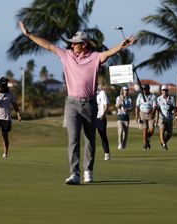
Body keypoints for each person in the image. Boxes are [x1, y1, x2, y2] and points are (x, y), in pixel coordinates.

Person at [19, 21, 136, 184]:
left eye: (75, 44)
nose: (72, 46)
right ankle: (74, 173)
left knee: (90, 139)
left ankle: (88, 170)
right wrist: (29, 34)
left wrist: (122, 46)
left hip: (89, 103)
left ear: (84, 44)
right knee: (73, 139)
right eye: (72, 44)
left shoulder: (95, 57)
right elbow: (48, 46)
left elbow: (108, 54)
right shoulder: (66, 55)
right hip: (72, 103)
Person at [0, 77, 21, 158]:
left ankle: (5, 153)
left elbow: (15, 105)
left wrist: (18, 114)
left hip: (6, 117)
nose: (6, 85)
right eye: (4, 83)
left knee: (5, 136)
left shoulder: (10, 94)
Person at [135, 83, 157, 150]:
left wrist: (152, 113)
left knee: (151, 129)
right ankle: (145, 144)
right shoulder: (140, 96)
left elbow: (154, 106)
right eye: (143, 89)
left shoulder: (153, 96)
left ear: (148, 89)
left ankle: (147, 138)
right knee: (145, 129)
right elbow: (137, 106)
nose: (144, 90)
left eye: (145, 89)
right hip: (142, 113)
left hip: (150, 114)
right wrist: (137, 116)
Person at [156, 85, 176, 150]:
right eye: (163, 90)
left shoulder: (172, 98)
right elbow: (157, 109)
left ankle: (163, 142)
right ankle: (164, 145)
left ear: (168, 91)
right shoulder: (158, 99)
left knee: (170, 134)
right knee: (162, 130)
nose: (164, 91)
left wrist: (173, 111)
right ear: (161, 91)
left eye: (166, 90)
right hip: (161, 117)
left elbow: (174, 108)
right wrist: (156, 120)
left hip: (169, 118)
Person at [115, 86, 132, 150]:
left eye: (127, 90)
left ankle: (124, 145)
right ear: (123, 91)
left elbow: (131, 108)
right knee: (120, 130)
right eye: (125, 90)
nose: (126, 92)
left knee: (125, 133)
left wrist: (127, 109)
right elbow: (117, 107)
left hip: (126, 117)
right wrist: (121, 101)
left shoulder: (129, 99)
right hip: (120, 117)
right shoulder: (118, 98)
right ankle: (120, 143)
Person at [96, 86, 110, 160]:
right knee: (90, 137)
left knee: (103, 136)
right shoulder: (89, 93)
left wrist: (103, 114)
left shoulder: (102, 93)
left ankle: (107, 153)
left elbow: (106, 105)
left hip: (101, 118)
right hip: (92, 119)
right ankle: (91, 154)